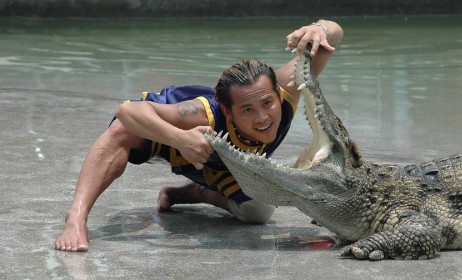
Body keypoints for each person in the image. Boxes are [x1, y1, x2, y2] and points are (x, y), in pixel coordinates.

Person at [54, 19, 344, 252]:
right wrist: (178, 139)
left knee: (260, 211)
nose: (263, 118)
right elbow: (127, 111)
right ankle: (77, 216)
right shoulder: (201, 113)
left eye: (267, 104)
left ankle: (198, 193)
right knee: (121, 130)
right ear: (228, 113)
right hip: (169, 133)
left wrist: (318, 29)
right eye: (247, 110)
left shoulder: (286, 88)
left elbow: (334, 32)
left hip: (221, 162)